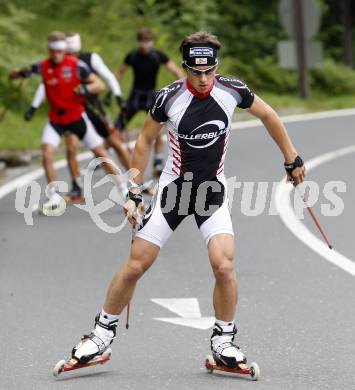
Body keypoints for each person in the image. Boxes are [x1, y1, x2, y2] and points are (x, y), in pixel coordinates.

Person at [68, 32, 305, 369]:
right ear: (184, 68)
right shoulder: (169, 98)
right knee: (137, 264)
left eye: (209, 70)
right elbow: (146, 140)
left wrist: (291, 158)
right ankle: (100, 334)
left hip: (211, 192)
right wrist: (134, 190)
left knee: (224, 265)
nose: (204, 78)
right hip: (174, 192)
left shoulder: (232, 90)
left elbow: (268, 115)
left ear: (216, 67)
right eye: (196, 72)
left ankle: (224, 342)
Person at [10, 31, 127, 211]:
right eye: (54, 50)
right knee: (47, 152)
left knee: (100, 152)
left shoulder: (76, 65)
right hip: (56, 118)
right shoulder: (43, 66)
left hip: (77, 116)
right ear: (49, 49)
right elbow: (13, 76)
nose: (57, 54)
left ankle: (123, 188)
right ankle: (54, 196)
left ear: (64, 50)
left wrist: (85, 89)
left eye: (60, 50)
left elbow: (99, 85)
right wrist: (20, 73)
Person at [115, 27, 183, 177]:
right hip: (135, 95)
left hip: (151, 95)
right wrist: (113, 91)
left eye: (148, 41)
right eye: (143, 41)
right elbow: (119, 72)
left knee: (156, 127)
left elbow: (176, 71)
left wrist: (180, 89)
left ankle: (158, 159)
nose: (146, 44)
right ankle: (102, 157)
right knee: (116, 127)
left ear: (151, 41)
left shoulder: (157, 55)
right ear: (139, 41)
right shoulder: (132, 56)